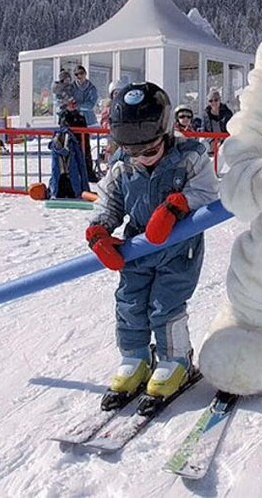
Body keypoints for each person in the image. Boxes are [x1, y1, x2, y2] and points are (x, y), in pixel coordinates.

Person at [86, 82, 219, 412]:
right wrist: (99, 230)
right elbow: (109, 200)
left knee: (165, 304)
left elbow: (208, 192)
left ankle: (176, 361)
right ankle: (135, 359)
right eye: (133, 152)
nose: (141, 159)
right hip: (137, 247)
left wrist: (177, 205)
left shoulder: (190, 156)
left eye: (149, 151)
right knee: (129, 302)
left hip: (178, 249)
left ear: (166, 131)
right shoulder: (122, 164)